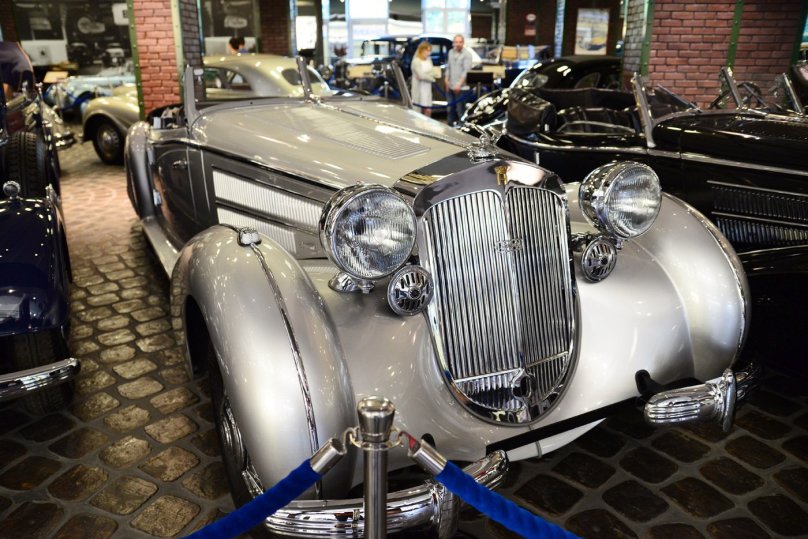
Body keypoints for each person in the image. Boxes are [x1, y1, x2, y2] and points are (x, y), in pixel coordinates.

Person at [444, 34, 472, 126]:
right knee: (449, 109)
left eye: (460, 42)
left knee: (460, 111)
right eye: (456, 42)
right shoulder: (450, 52)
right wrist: (446, 80)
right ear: (453, 43)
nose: (458, 44)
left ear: (463, 43)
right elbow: (448, 67)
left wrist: (459, 84)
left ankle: (461, 129)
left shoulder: (467, 54)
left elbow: (466, 71)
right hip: (451, 86)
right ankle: (449, 128)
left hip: (461, 88)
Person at [410, 41, 435, 117]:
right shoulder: (416, 61)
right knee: (418, 112)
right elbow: (421, 75)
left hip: (427, 88)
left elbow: (432, 73)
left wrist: (426, 77)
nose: (428, 53)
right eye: (427, 50)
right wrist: (431, 78)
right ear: (421, 50)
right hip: (419, 89)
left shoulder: (429, 60)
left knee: (428, 110)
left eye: (429, 50)